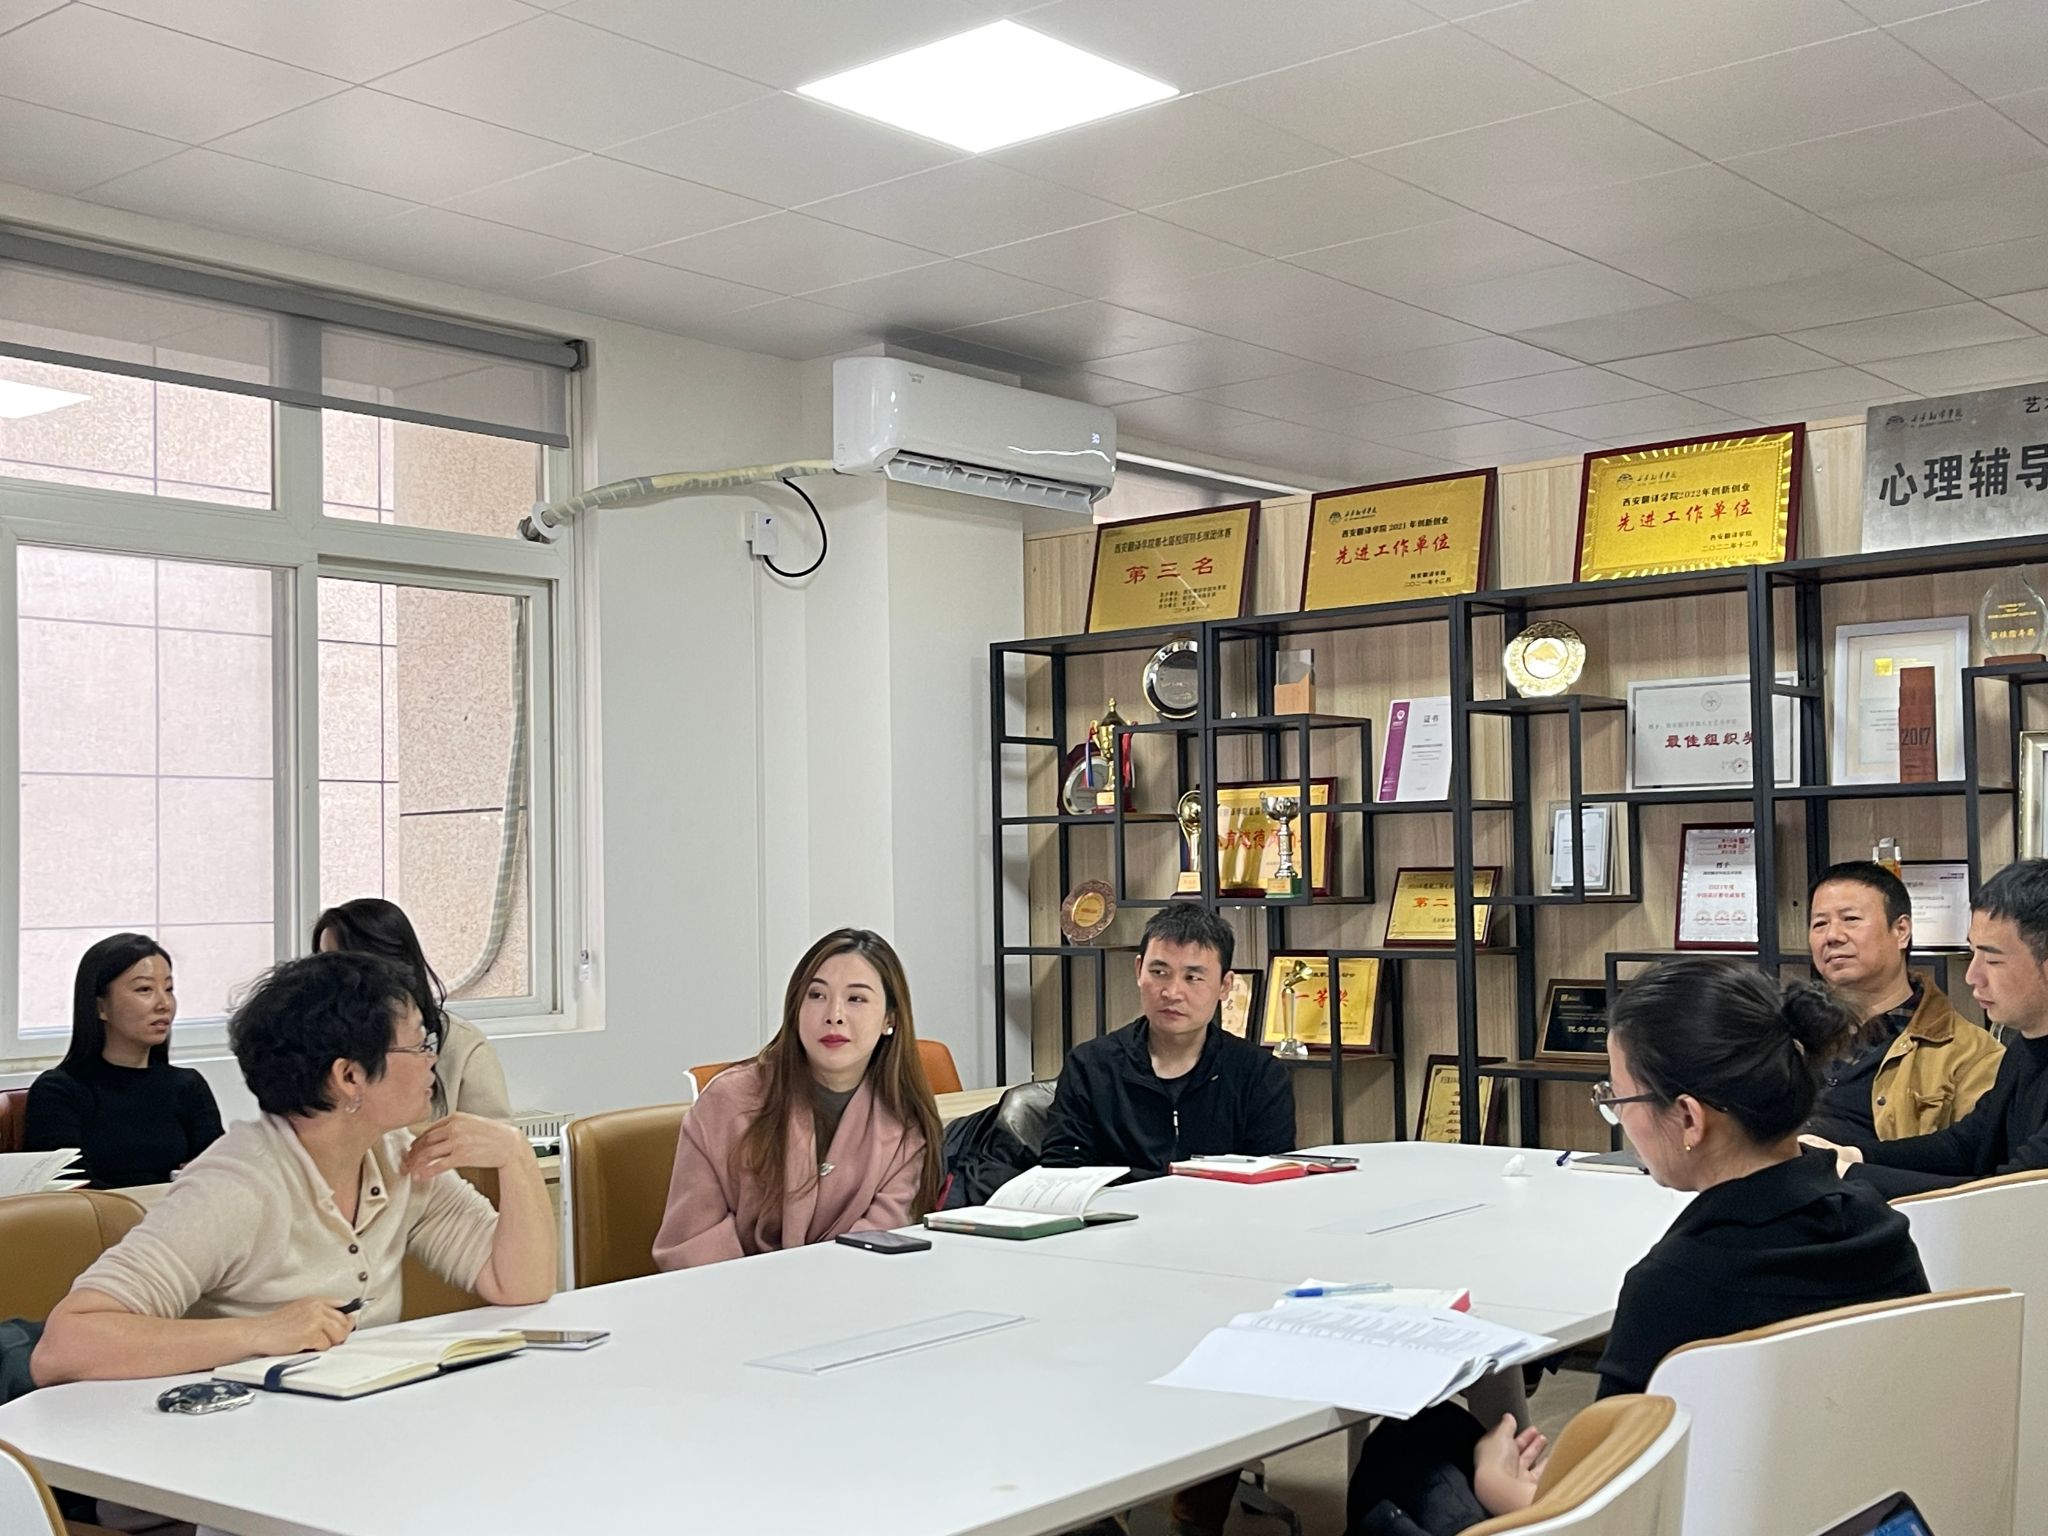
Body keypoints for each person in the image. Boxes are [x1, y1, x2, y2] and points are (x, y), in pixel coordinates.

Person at [1348, 959, 1928, 1536]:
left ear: (1689, 1118)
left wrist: (1505, 1488)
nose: (1620, 1121)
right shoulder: (1878, 1227)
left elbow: (1609, 1516)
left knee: (1405, 1448)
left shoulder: (1678, 1281)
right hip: (1857, 1509)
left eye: (1620, 1100)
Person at [29, 951, 555, 1386]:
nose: (431, 1059)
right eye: (418, 1043)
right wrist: (257, 1334)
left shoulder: (395, 1155)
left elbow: (519, 1285)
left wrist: (514, 1156)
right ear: (349, 1077)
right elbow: (66, 1345)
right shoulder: (237, 1184)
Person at [652, 929, 944, 1269]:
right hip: (732, 1292)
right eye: (816, 995)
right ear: (796, 1008)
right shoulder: (727, 1102)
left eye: (856, 999)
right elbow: (691, 1243)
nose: (834, 1014)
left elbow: (878, 1249)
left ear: (889, 1019)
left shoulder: (905, 1122)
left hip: (849, 1292)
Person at [1807, 859, 2048, 1197]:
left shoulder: (1978, 1051)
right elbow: (1965, 1144)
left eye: (1993, 960)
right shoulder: (2024, 1048)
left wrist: (1850, 1173)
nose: (1972, 976)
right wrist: (1853, 1156)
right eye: (1973, 953)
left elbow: (2013, 1195)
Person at [1039, 902, 1294, 1176]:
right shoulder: (1090, 1066)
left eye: (1192, 977)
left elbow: (1271, 1179)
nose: (1172, 992)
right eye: (1159, 972)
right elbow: (1061, 1172)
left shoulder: (1259, 1074)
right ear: (1139, 970)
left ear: (1225, 985)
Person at [1803, 861, 2000, 1150]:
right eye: (1820, 924)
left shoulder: (1970, 1054)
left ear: (1901, 930)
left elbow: (1973, 1160)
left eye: (1850, 919)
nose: (1832, 936)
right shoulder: (1789, 1031)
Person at [22, 933, 223, 1189]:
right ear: (100, 1007)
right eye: (144, 989)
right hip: (101, 1217)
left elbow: (220, 1176)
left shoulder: (188, 1086)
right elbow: (70, 1192)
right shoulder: (59, 1091)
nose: (164, 1004)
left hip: (181, 1214)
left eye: (169, 989)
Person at [313, 897, 514, 1120]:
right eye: (323, 962)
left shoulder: (461, 1045)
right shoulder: (311, 1044)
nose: (330, 978)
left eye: (344, 965)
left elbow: (495, 1137)